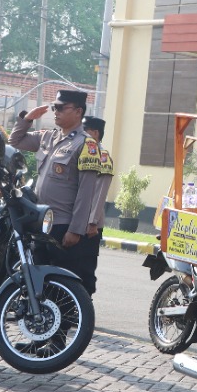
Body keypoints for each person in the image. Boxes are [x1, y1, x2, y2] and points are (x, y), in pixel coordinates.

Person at [7, 89, 105, 295]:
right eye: (54, 107)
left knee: (64, 280)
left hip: (63, 224)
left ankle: (69, 324)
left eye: (61, 108)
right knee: (41, 279)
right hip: (42, 221)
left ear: (78, 111)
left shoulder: (86, 145)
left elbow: (86, 192)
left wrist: (76, 229)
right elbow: (15, 141)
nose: (56, 112)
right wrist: (27, 119)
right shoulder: (48, 137)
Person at [79, 115, 117, 281]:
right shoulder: (83, 153)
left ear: (95, 133)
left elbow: (101, 192)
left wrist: (92, 222)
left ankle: (85, 302)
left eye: (84, 130)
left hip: (91, 225)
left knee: (85, 268)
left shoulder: (103, 157)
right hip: (79, 220)